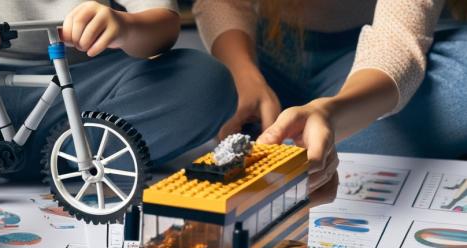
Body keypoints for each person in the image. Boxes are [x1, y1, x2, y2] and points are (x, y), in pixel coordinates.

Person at [0, 0, 237, 181]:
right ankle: (68, 155)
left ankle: (7, 153)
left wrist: (125, 26)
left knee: (206, 82)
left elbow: (163, 26)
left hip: (86, 86)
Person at [193, 0, 467, 193]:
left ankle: (301, 133)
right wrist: (243, 73)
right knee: (192, 84)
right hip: (262, 52)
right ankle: (307, 134)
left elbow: (395, 43)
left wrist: (331, 113)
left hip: (366, 59)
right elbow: (223, 3)